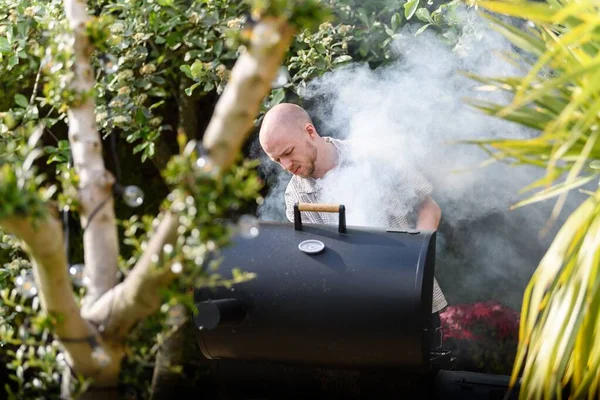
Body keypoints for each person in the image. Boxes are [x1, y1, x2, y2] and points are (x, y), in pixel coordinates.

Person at [259, 103, 447, 347]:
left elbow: (429, 208)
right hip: (350, 315)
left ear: (309, 131)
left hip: (411, 298)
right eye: (277, 160)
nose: (286, 166)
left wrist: (414, 267)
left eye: (288, 152)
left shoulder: (372, 155)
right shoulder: (295, 196)